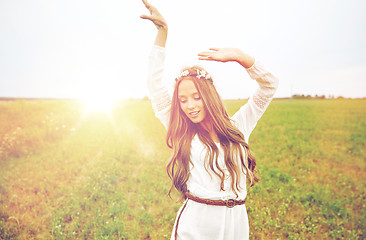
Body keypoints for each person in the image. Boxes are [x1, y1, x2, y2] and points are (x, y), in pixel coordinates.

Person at [140, 0, 279, 239]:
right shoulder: (182, 132)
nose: (190, 105)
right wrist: (163, 33)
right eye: (183, 100)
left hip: (236, 224)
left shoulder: (238, 127)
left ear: (209, 97)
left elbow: (269, 86)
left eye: (196, 97)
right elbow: (154, 85)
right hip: (198, 225)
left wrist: (240, 57)